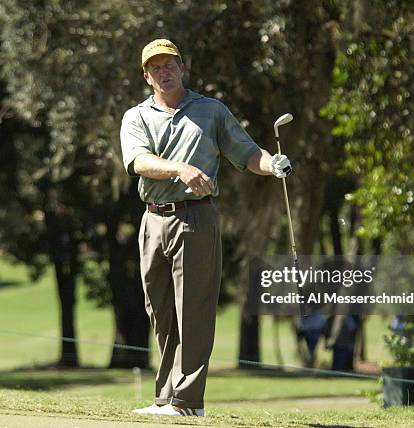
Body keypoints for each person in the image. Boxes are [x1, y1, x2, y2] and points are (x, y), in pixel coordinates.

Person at [120, 38, 292, 417]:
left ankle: (186, 402)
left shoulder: (211, 111)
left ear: (182, 68)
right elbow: (138, 161)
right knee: (159, 310)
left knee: (192, 310)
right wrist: (180, 168)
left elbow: (246, 153)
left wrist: (271, 164)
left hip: (195, 217)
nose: (164, 72)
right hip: (152, 218)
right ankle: (166, 397)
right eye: (156, 67)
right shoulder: (136, 117)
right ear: (146, 76)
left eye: (170, 65)